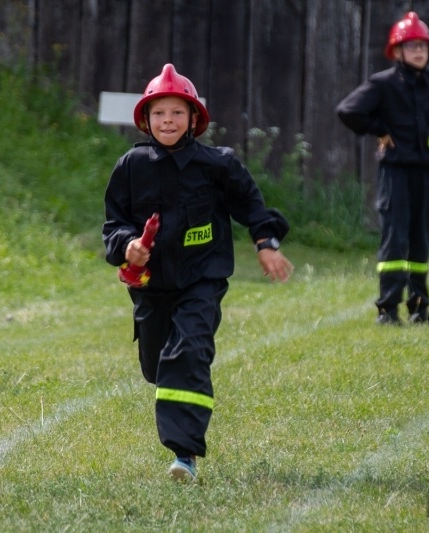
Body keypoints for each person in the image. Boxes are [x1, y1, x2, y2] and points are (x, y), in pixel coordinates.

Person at [102, 64, 294, 481]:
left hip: (202, 279)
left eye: (177, 112)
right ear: (145, 119)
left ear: (194, 119)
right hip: (152, 287)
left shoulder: (217, 164)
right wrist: (127, 246)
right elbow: (114, 223)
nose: (167, 121)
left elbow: (252, 204)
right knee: (157, 367)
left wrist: (266, 243)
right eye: (158, 113)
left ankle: (184, 454)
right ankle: (178, 420)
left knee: (187, 353)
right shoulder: (131, 166)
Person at [336, 11, 429, 326]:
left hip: (425, 170)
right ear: (397, 51)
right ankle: (387, 310)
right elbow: (347, 110)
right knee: (395, 239)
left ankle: (420, 308)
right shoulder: (383, 83)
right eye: (412, 46)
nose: (419, 51)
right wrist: (380, 130)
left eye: (423, 46)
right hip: (395, 172)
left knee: (420, 239)